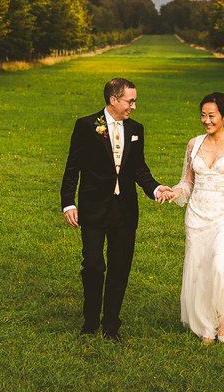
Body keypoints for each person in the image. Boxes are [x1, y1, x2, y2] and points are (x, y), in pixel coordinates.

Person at [60, 77, 174, 341]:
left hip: (124, 212)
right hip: (92, 209)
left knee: (119, 268)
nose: (133, 106)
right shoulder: (87, 126)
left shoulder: (136, 129)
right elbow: (72, 167)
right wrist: (68, 202)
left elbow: (139, 169)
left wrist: (156, 189)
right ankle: (90, 321)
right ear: (113, 100)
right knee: (93, 265)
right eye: (130, 101)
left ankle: (111, 325)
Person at [171, 91, 224, 344]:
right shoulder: (193, 144)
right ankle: (207, 324)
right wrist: (175, 191)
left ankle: (222, 318)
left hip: (223, 214)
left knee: (219, 266)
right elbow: (187, 181)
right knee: (200, 268)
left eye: (212, 115)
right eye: (203, 115)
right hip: (197, 214)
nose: (206, 120)